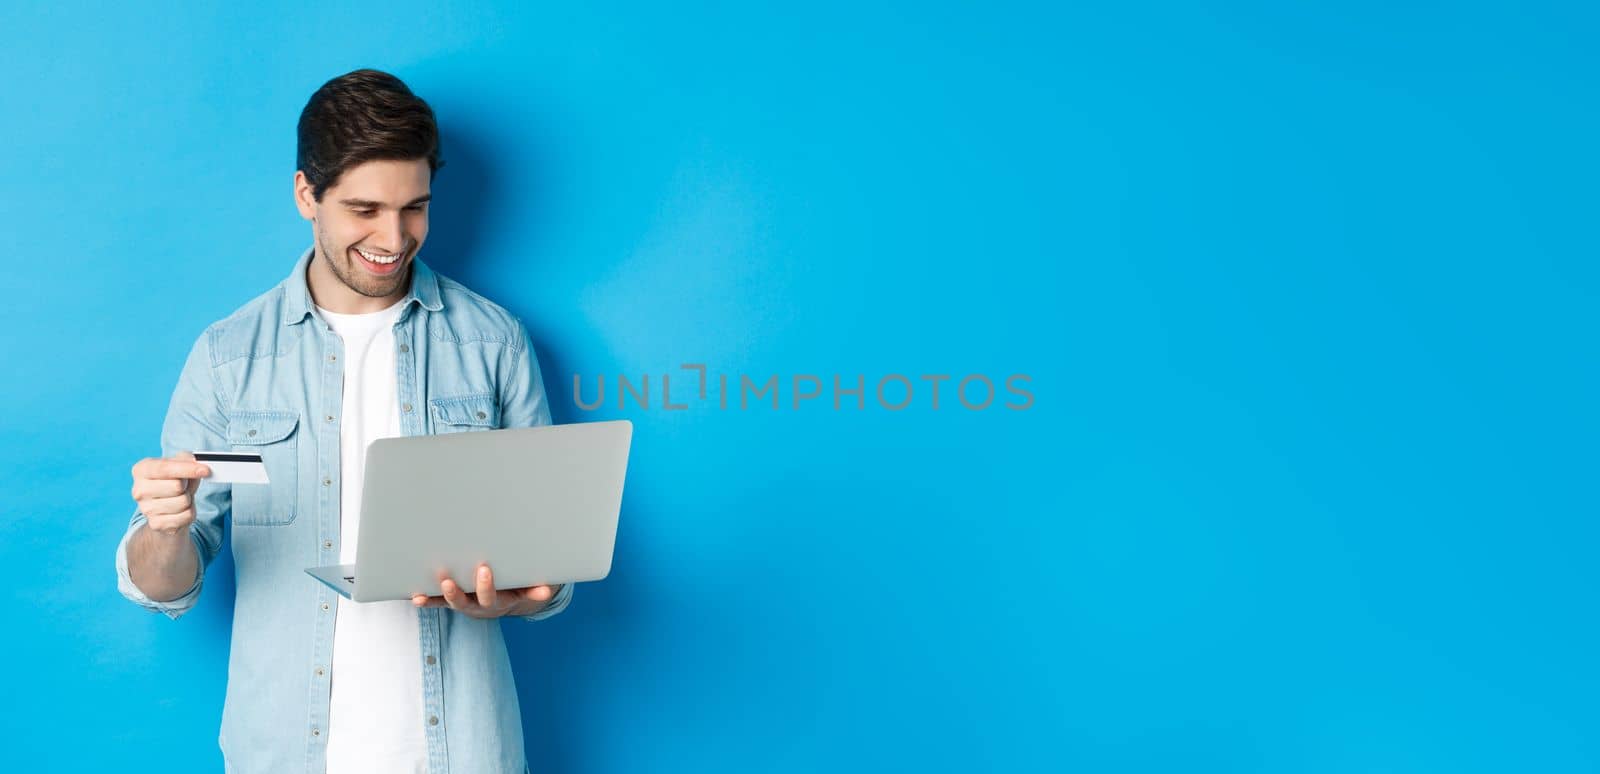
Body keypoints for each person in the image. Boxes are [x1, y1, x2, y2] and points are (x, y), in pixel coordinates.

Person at [114, 69, 570, 774]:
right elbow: (163, 585)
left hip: (465, 752)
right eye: (365, 209)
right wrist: (166, 531)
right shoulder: (230, 357)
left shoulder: (495, 343)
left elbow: (548, 562)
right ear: (307, 195)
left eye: (414, 207)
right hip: (285, 753)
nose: (395, 237)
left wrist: (518, 594)